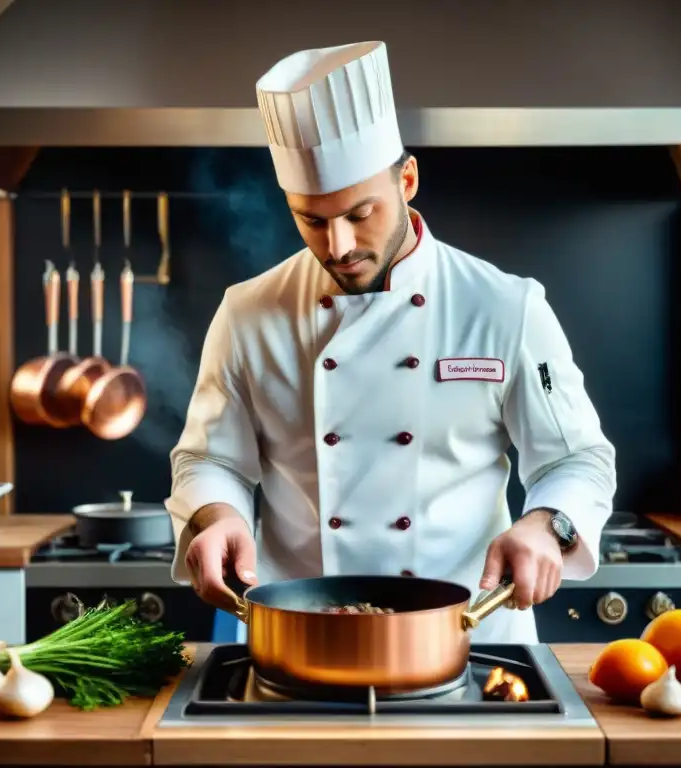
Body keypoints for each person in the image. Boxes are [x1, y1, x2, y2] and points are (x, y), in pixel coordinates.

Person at [166, 40, 617, 644]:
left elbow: (578, 458)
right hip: (301, 639)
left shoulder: (506, 307)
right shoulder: (248, 313)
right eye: (311, 219)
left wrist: (547, 525)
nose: (339, 244)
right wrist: (215, 515)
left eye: (360, 213)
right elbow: (208, 458)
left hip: (468, 640)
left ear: (407, 180)